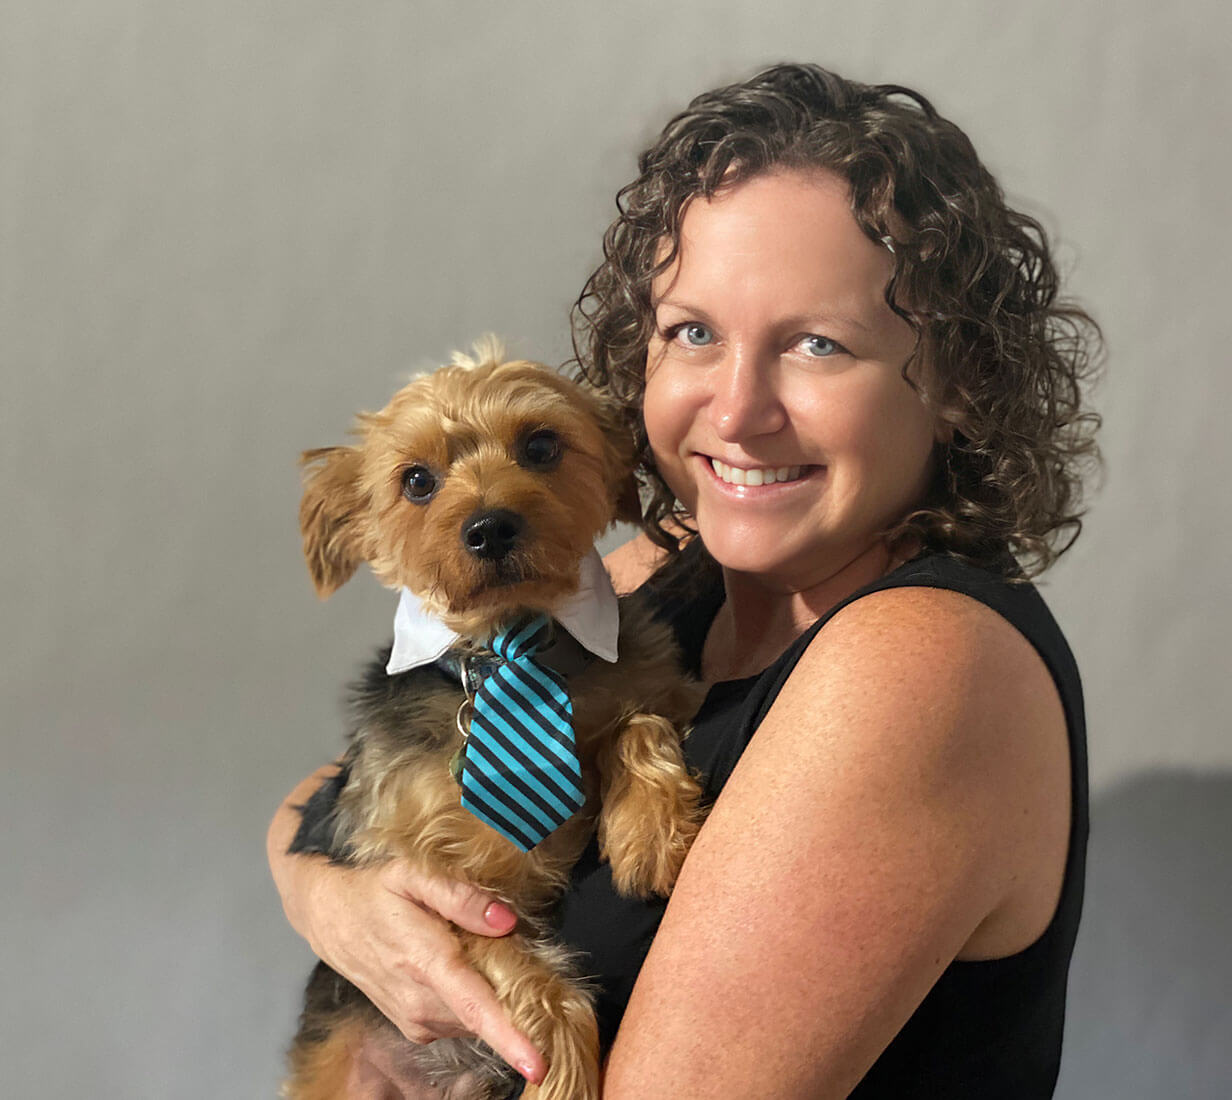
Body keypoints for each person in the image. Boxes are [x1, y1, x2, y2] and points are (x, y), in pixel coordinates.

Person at [268, 62, 1100, 1098]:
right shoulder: (662, 572)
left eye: (816, 343)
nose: (738, 410)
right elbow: (334, 791)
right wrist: (328, 898)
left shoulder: (916, 663)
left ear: (957, 383)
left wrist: (361, 914)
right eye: (693, 332)